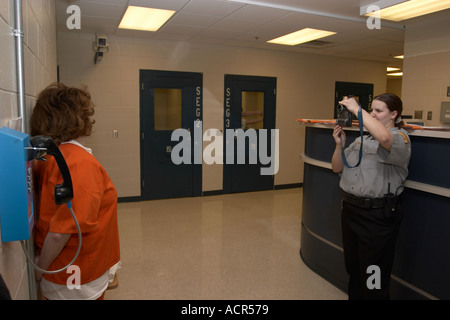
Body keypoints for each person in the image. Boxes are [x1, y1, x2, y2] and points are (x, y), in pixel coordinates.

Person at [30, 82, 120, 300]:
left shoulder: (58, 157)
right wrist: (40, 269)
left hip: (69, 272)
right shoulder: (79, 164)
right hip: (76, 276)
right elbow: (62, 231)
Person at [331, 93, 411, 300]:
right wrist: (339, 145)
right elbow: (336, 167)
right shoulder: (362, 139)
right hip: (351, 211)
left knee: (373, 274)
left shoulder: (399, 137)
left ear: (394, 114)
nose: (373, 115)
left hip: (376, 216)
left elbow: (384, 138)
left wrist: (358, 109)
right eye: (371, 110)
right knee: (354, 268)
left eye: (379, 111)